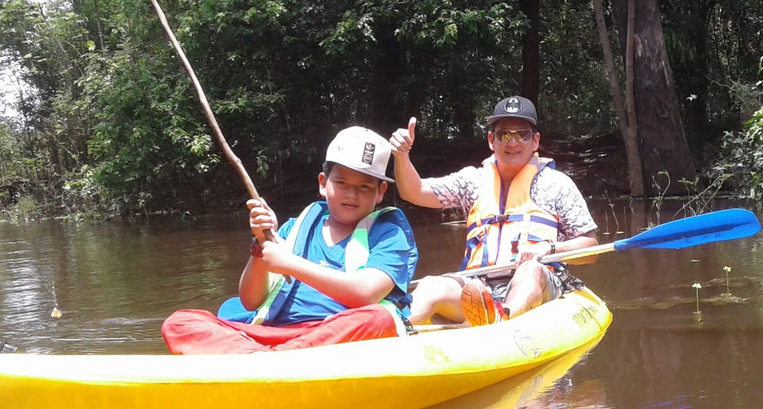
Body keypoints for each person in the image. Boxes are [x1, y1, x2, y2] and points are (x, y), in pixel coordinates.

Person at [162, 126, 418, 353]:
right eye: (341, 182)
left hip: (338, 333)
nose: (351, 194)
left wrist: (289, 263)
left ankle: (274, 358)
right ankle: (261, 356)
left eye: (364, 186)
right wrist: (263, 244)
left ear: (380, 192)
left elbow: (366, 293)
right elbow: (250, 301)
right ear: (322, 183)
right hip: (277, 332)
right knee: (181, 322)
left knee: (378, 318)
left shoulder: (390, 231)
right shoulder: (295, 227)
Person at [389, 96, 597, 326]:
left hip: (539, 282)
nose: (512, 142)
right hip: (477, 289)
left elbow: (590, 248)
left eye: (522, 134)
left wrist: (549, 247)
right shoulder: (473, 181)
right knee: (431, 284)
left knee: (531, 271)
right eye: (504, 134)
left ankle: (501, 319)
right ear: (491, 140)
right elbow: (414, 191)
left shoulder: (557, 184)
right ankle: (391, 328)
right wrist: (401, 155)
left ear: (535, 141)